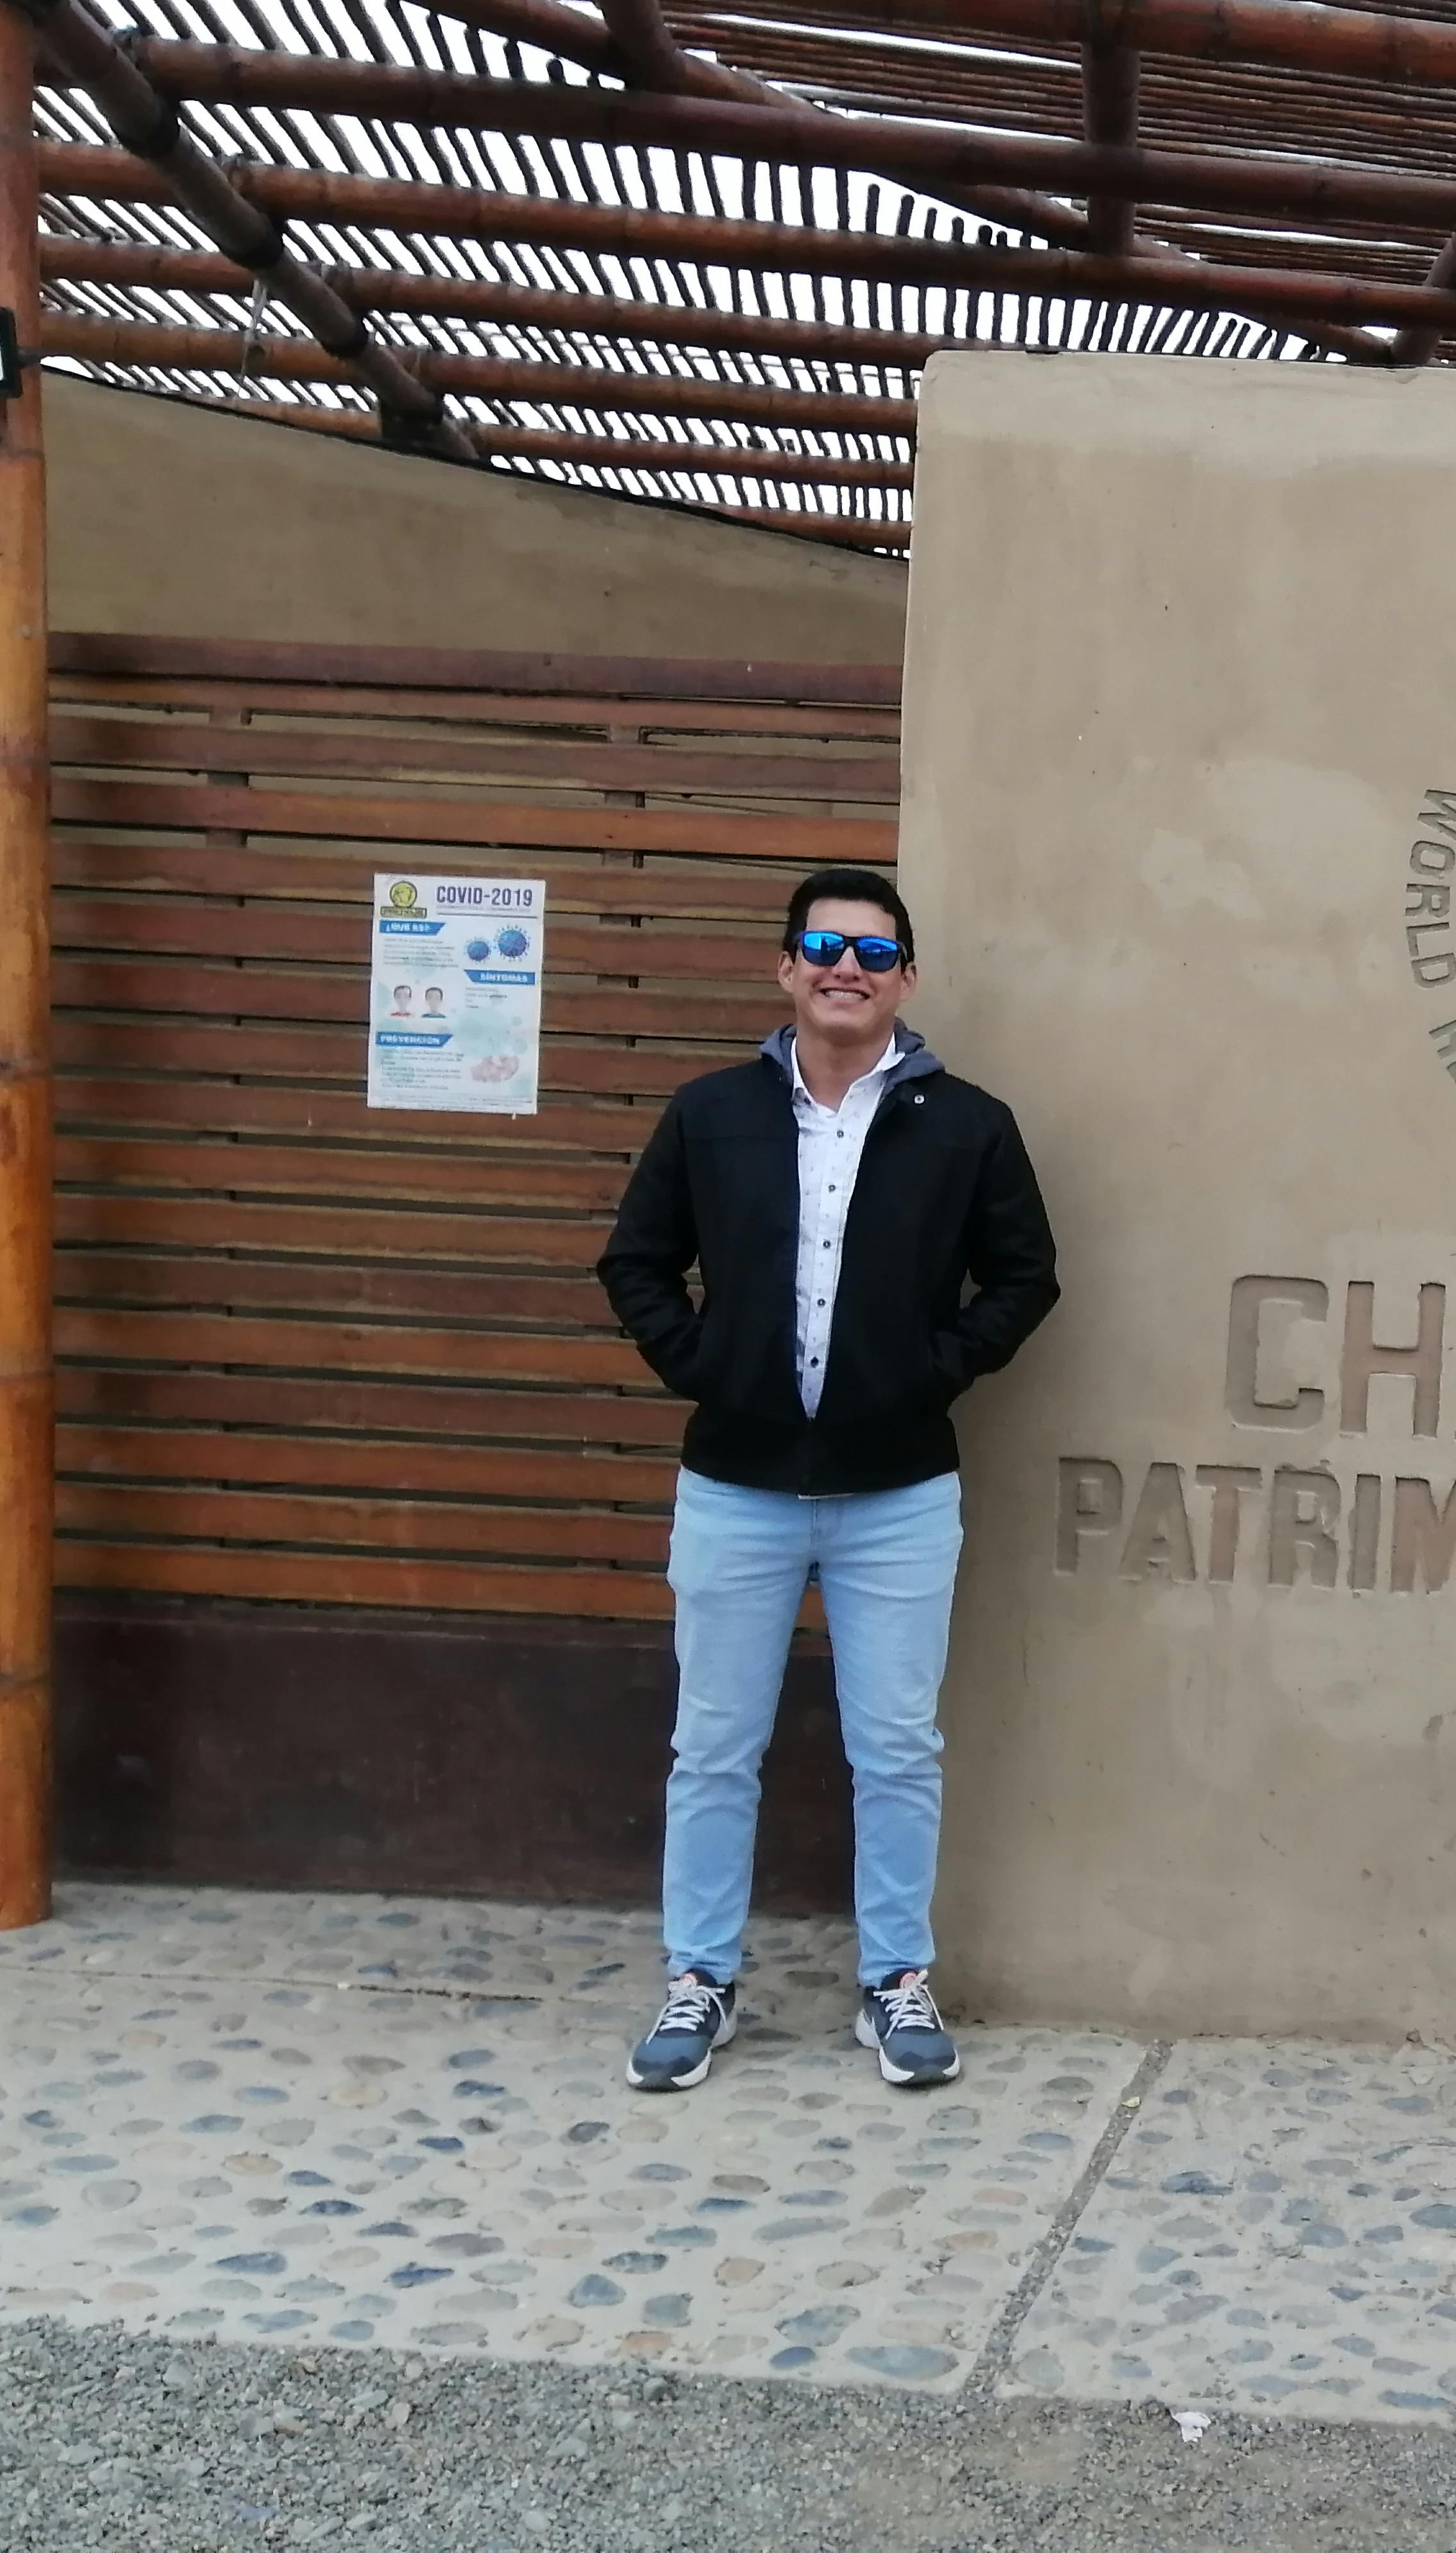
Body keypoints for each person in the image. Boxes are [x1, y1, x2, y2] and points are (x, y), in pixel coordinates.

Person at [597, 866, 1057, 2092]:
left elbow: (1026, 1277)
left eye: (873, 952)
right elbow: (636, 1261)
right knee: (713, 1746)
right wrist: (709, 1368)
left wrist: (926, 1375)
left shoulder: (967, 1126)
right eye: (823, 946)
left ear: (907, 978)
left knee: (897, 1747)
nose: (846, 968)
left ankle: (895, 1979)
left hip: (897, 1494)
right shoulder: (711, 1114)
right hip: (736, 1488)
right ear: (786, 968)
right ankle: (700, 1979)